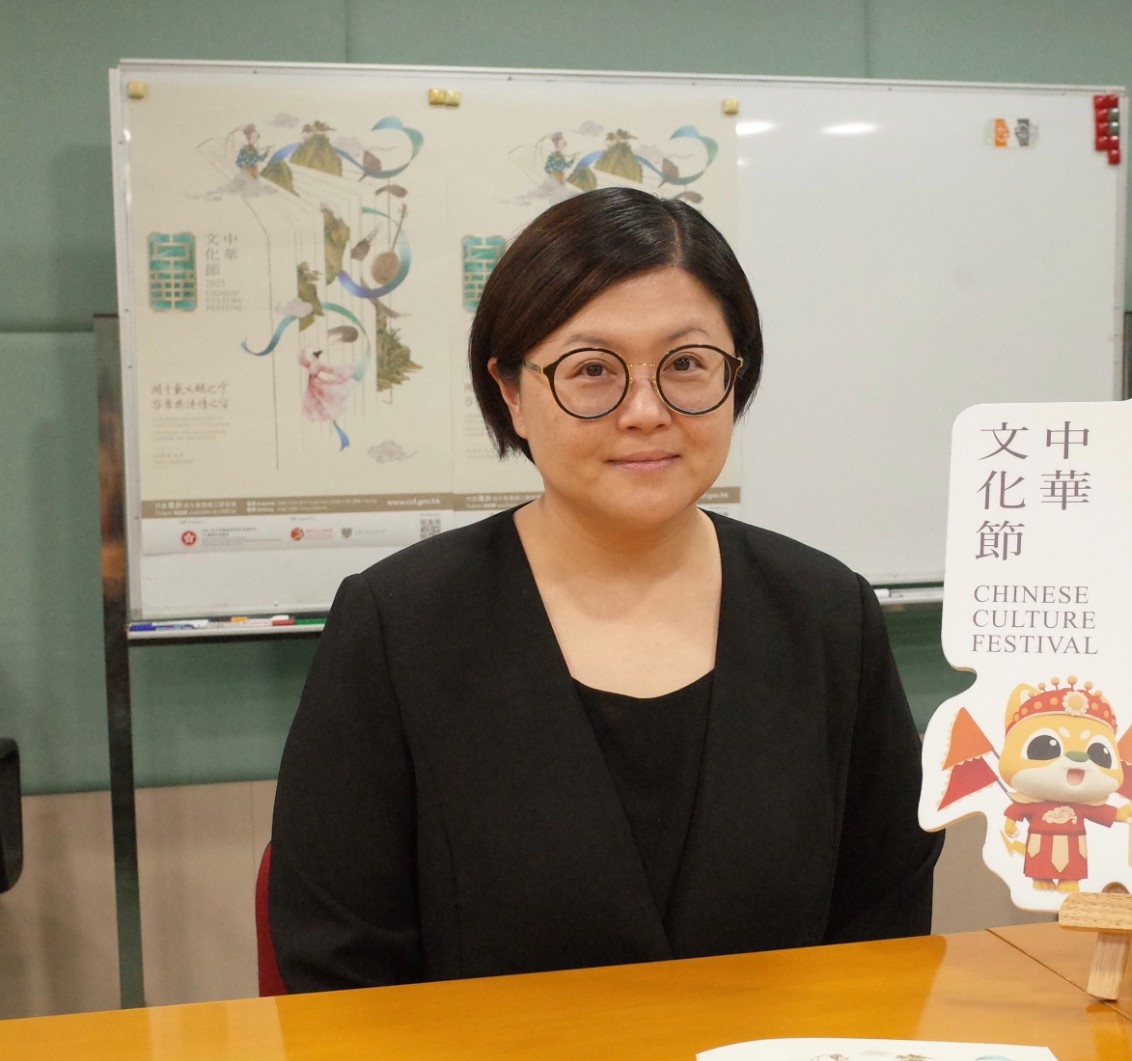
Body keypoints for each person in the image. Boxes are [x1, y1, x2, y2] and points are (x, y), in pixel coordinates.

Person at [268, 187, 942, 991]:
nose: (647, 411)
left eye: (686, 364)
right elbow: (338, 962)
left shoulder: (828, 615)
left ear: (736, 376)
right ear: (511, 392)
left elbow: (882, 932)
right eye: (592, 370)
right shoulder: (398, 625)